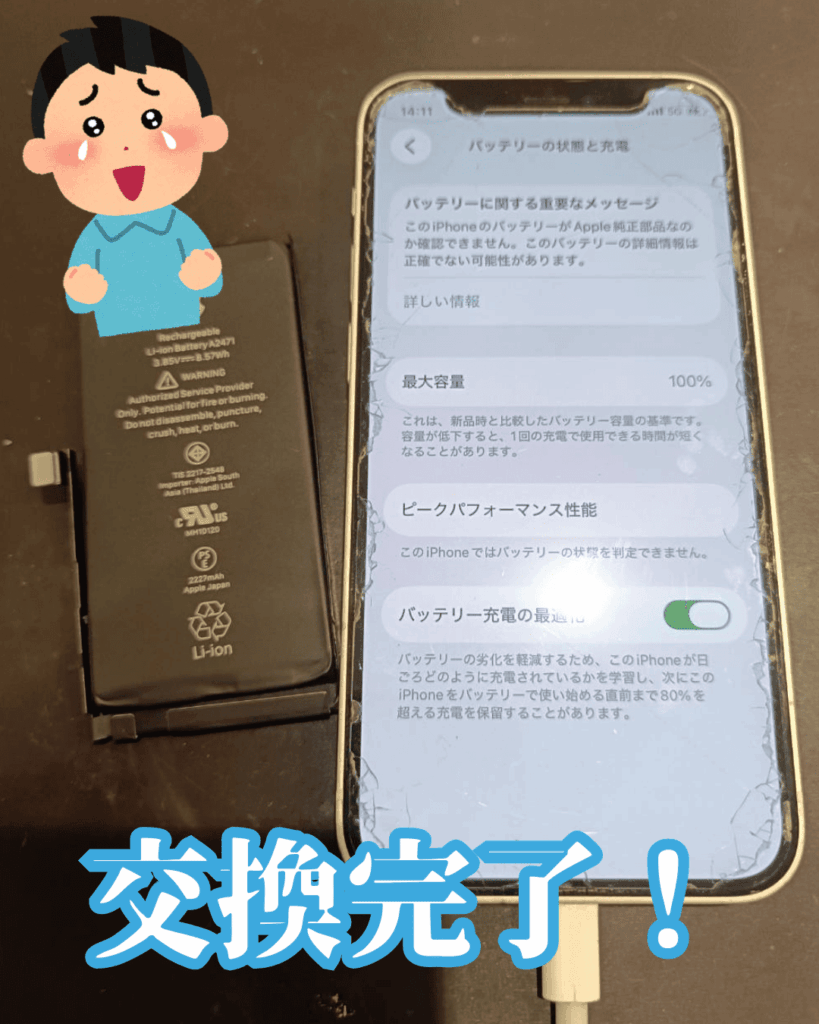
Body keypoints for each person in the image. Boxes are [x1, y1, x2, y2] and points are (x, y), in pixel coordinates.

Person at [23, 16, 228, 337]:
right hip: (118, 345)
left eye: (152, 118)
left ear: (207, 133)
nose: (125, 146)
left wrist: (204, 273)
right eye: (93, 127)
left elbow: (212, 284)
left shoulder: (177, 226)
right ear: (43, 156)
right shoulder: (95, 238)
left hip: (187, 339)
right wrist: (83, 290)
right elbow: (78, 302)